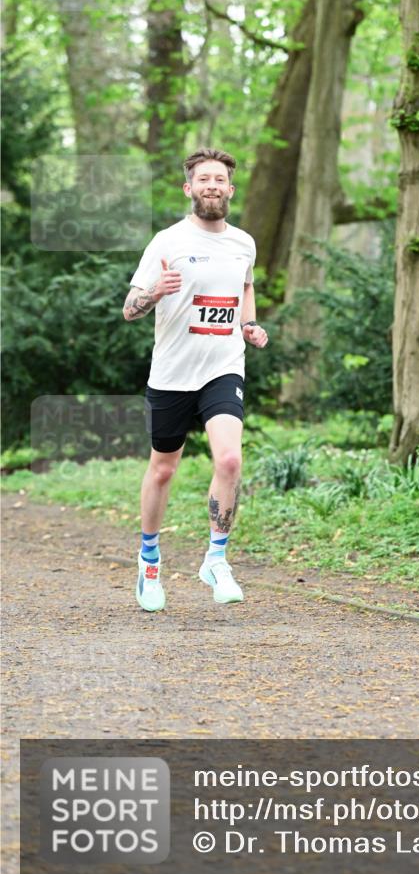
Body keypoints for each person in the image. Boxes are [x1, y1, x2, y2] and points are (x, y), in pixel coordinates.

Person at [123, 148, 268, 612]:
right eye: (203, 178)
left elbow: (245, 286)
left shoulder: (243, 243)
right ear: (189, 189)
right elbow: (129, 310)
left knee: (229, 459)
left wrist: (248, 325)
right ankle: (149, 562)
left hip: (223, 367)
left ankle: (216, 559)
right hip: (171, 373)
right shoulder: (167, 242)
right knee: (163, 468)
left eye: (219, 179)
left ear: (230, 189)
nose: (211, 185)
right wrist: (153, 292)